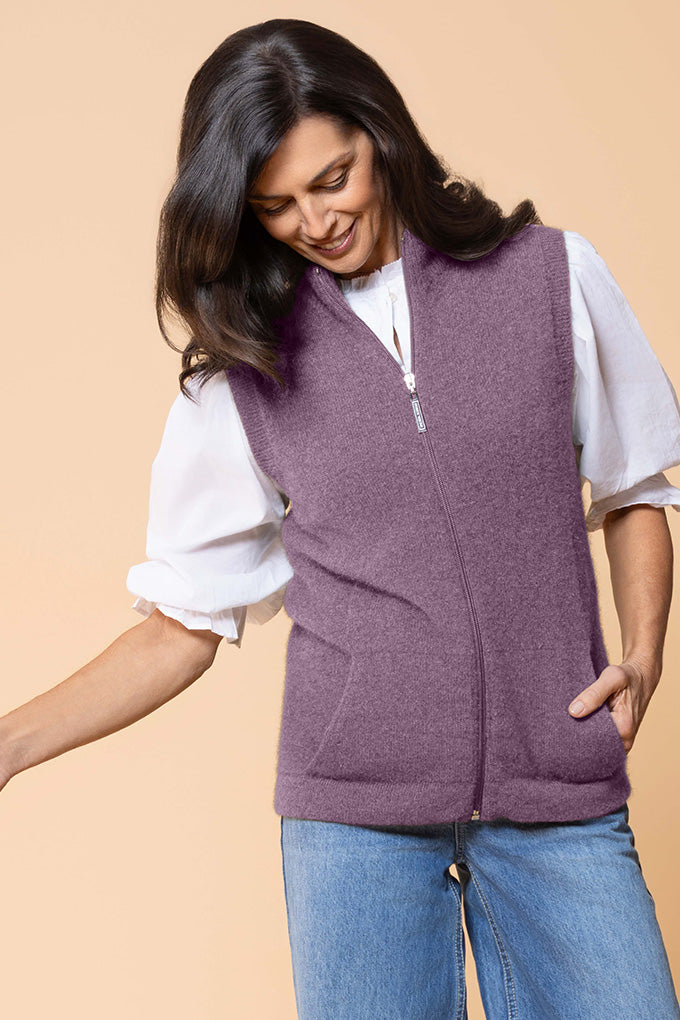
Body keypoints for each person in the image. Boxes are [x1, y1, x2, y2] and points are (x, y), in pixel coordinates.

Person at [2, 17, 680, 1019]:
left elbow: (633, 486)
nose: (315, 222)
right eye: (275, 205)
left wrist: (644, 653)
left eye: (333, 179)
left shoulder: (548, 277)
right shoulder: (244, 375)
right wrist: (9, 745)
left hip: (557, 789)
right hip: (351, 822)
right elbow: (183, 623)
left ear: (379, 135)